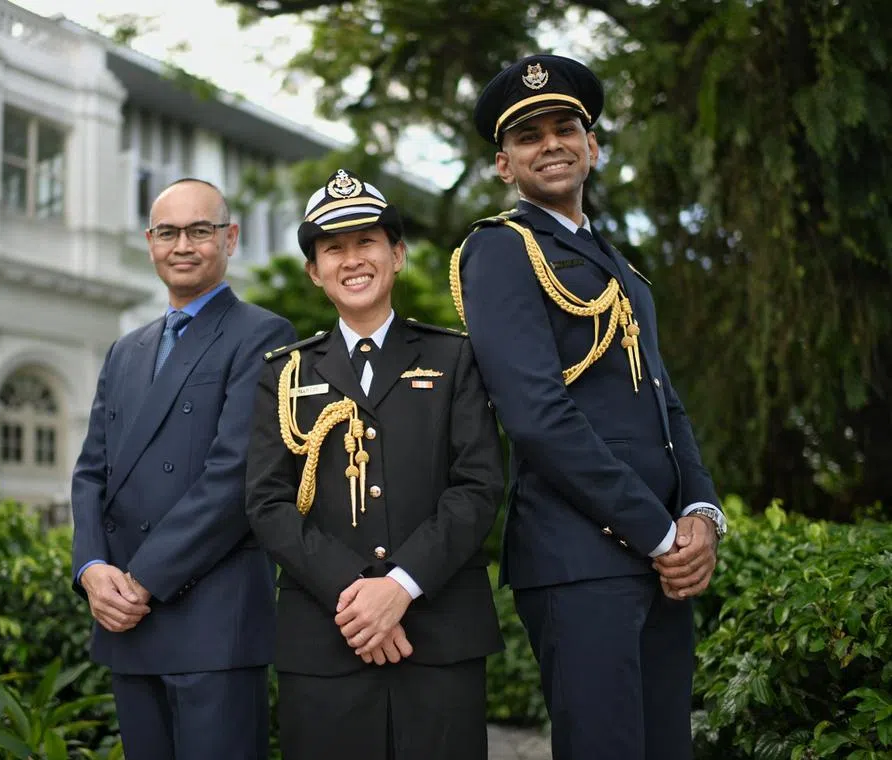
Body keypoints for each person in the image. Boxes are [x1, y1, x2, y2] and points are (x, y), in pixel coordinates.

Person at [451, 54, 729, 759]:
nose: (551, 143)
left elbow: (668, 408)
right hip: (580, 561)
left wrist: (700, 514)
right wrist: (659, 535)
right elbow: (538, 417)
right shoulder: (501, 251)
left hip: (659, 559)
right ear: (504, 165)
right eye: (528, 135)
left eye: (565, 127)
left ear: (592, 145)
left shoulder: (623, 270)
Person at [245, 169, 505, 760]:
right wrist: (358, 592)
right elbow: (266, 502)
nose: (352, 259)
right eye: (333, 248)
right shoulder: (284, 372)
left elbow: (478, 486)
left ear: (397, 255)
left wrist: (402, 585)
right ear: (314, 271)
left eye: (367, 242)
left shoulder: (455, 358)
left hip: (438, 636)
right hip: (326, 641)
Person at [70, 178, 297, 760]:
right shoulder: (126, 349)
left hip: (211, 618)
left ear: (230, 239)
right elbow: (91, 472)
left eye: (201, 231)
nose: (183, 245)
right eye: (168, 232)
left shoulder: (264, 334)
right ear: (149, 242)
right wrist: (94, 569)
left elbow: (233, 475)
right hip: (125, 618)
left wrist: (140, 581)